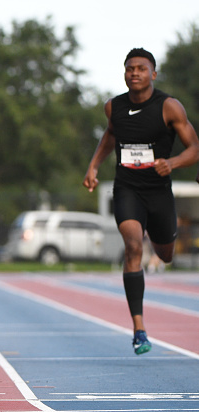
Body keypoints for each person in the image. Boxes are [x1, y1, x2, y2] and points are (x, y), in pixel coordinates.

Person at [83, 48, 199, 355]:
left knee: (166, 253)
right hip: (127, 189)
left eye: (141, 68)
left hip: (159, 192)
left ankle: (161, 243)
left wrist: (171, 164)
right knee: (133, 245)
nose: (135, 73)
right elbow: (110, 135)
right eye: (130, 68)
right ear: (124, 73)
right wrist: (94, 166)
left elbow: (194, 149)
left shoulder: (169, 107)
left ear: (153, 74)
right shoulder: (113, 107)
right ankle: (139, 329)